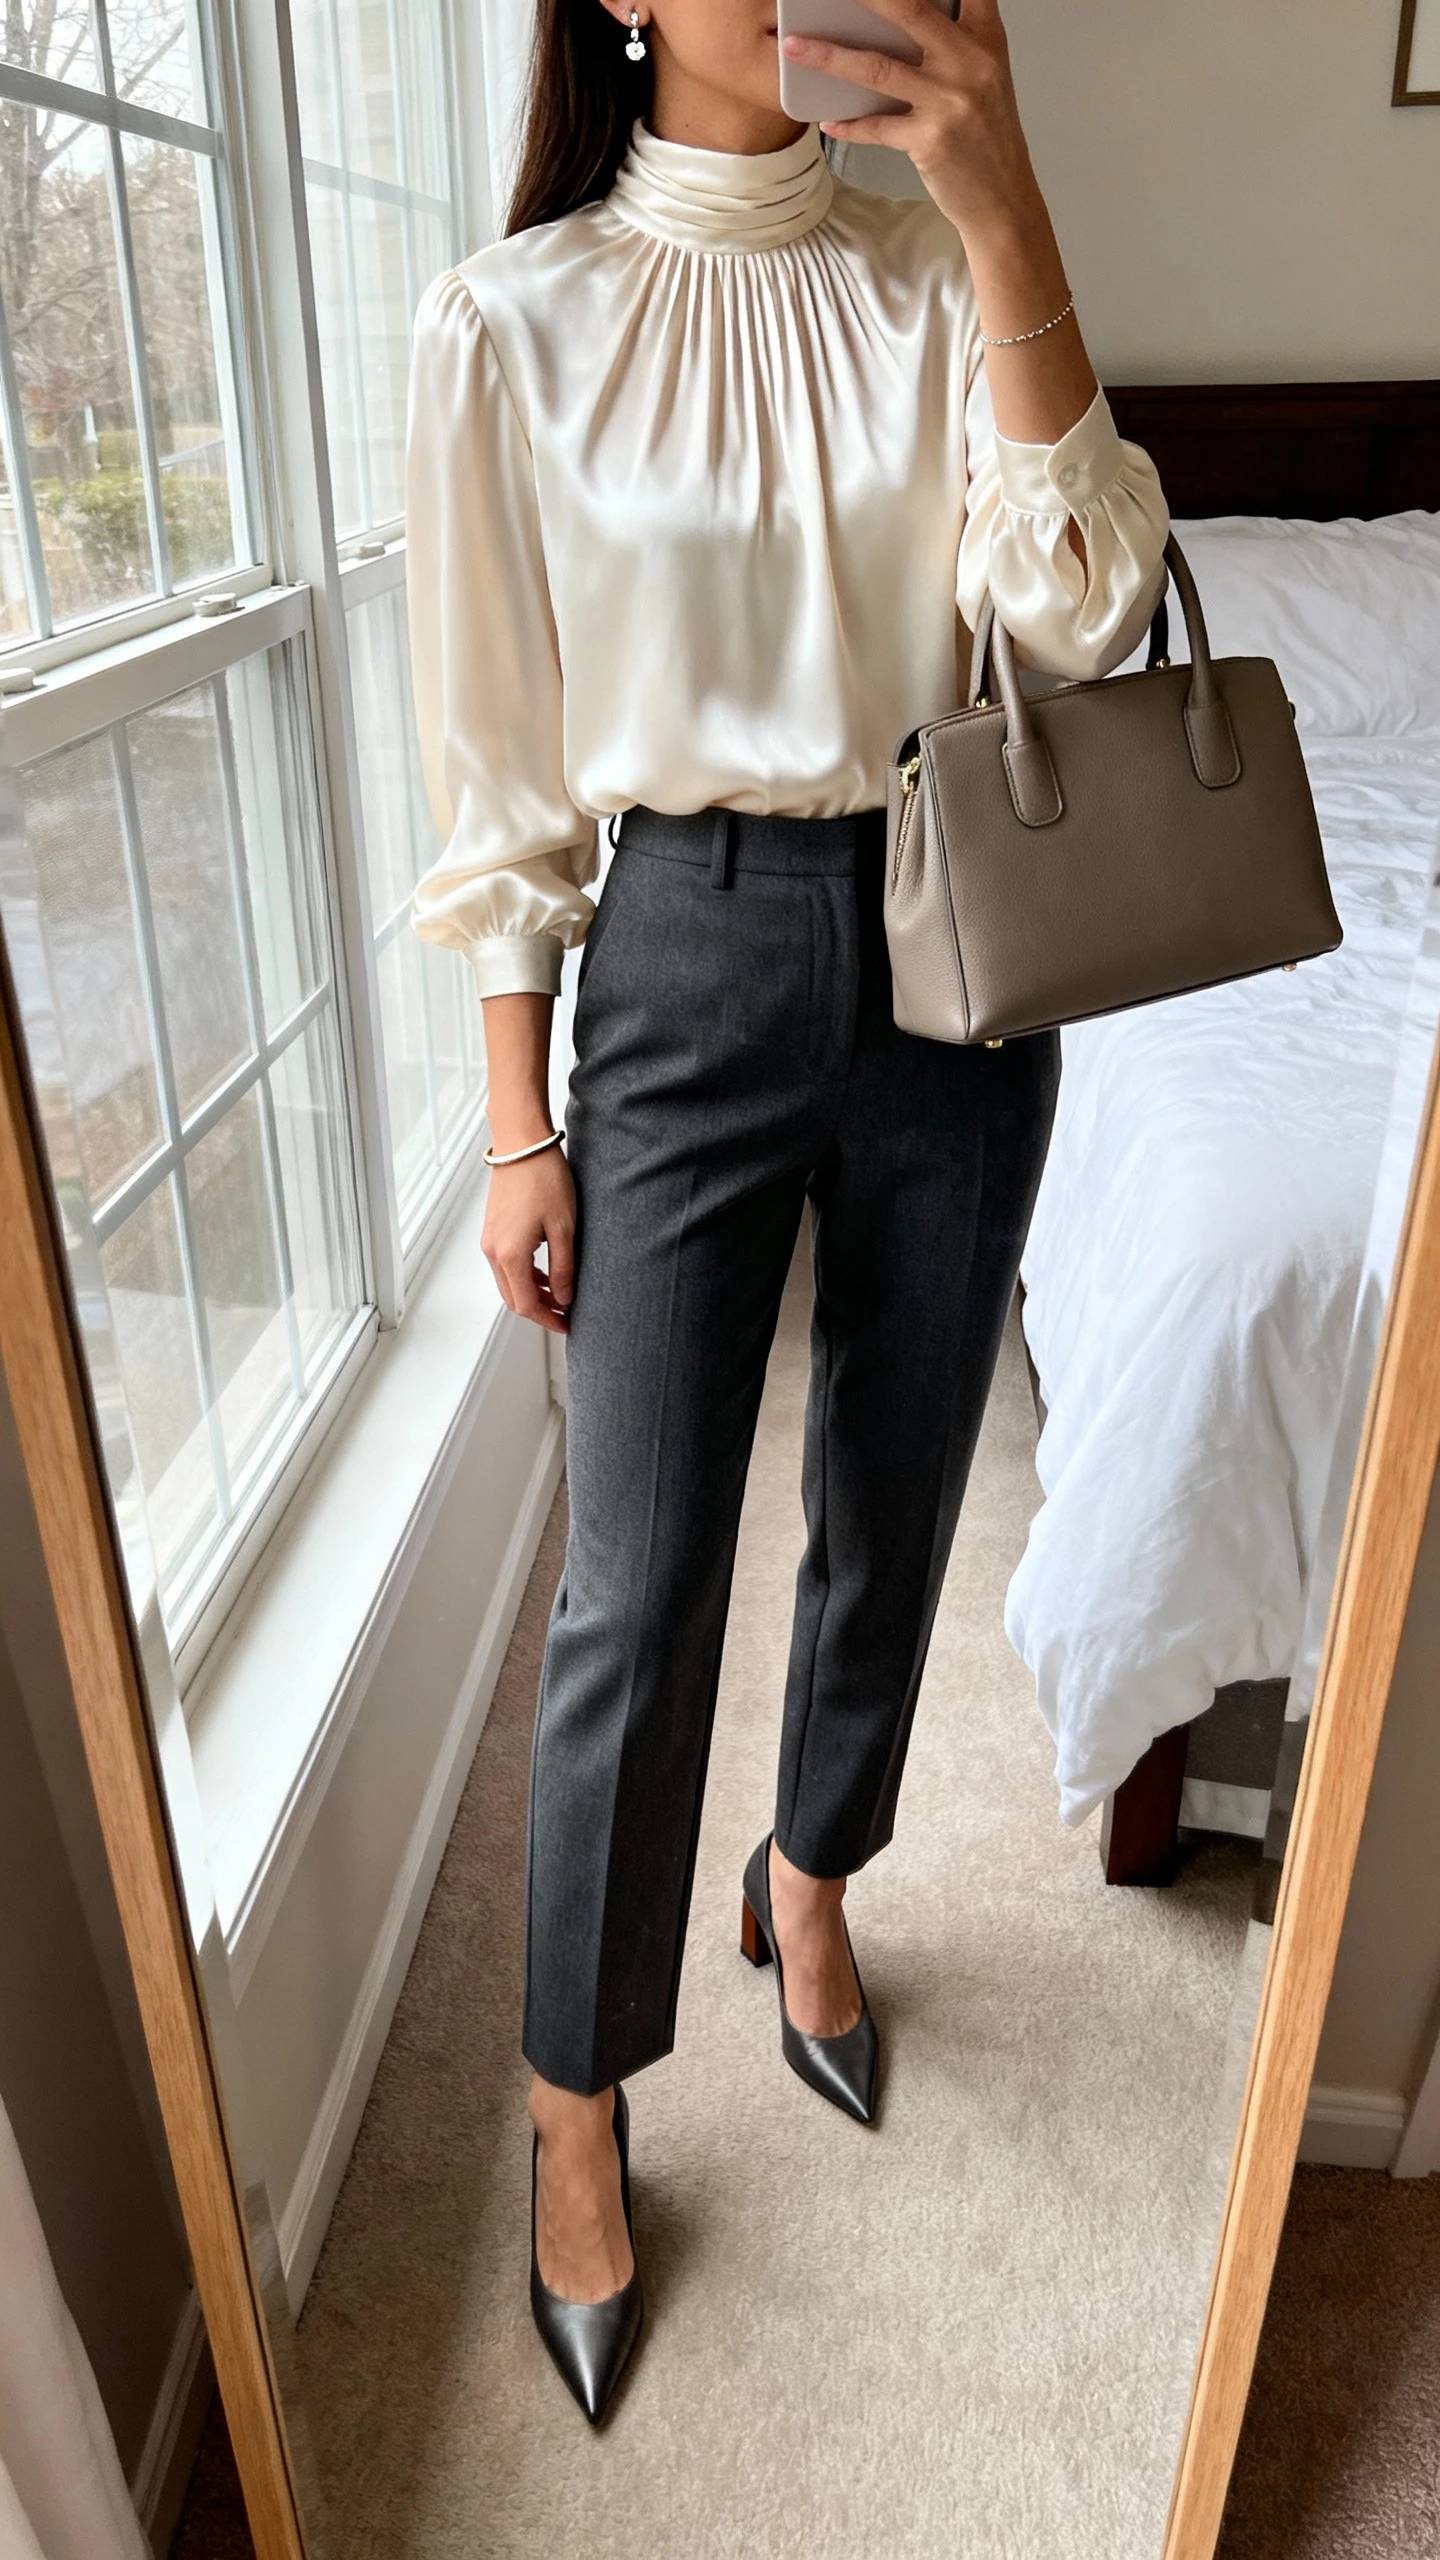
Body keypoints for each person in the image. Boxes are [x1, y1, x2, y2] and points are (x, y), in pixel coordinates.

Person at [406, 0, 1167, 2421]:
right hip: (682, 954)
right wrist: (518, 1123)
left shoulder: (938, 269)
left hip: (963, 935)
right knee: (634, 1579)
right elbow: (496, 773)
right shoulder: (507, 324)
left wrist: (1008, 195)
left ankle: (812, 1875)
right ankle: (571, 2097)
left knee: (899, 1484)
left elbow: (1078, 615)